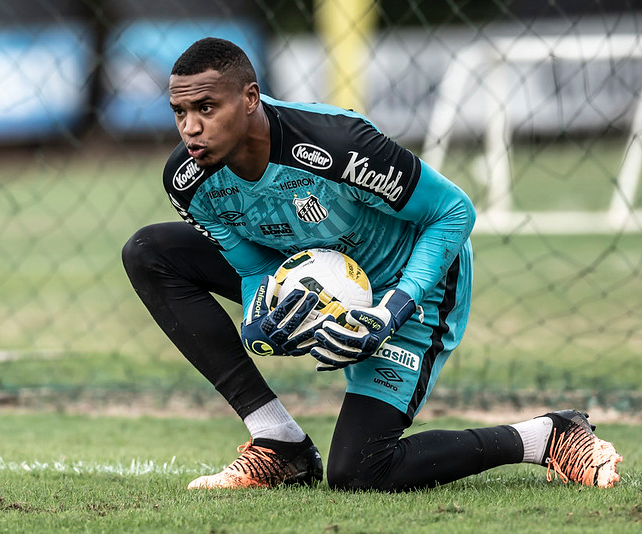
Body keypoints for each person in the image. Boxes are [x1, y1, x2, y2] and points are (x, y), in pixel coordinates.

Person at [122, 37, 622, 491]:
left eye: (206, 107)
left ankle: (547, 436)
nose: (190, 127)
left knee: (359, 471)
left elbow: (453, 212)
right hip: (311, 270)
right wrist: (260, 315)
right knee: (150, 253)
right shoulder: (187, 180)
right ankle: (279, 444)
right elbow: (253, 267)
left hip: (411, 284)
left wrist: (391, 311)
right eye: (179, 111)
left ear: (250, 98)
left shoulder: (337, 145)